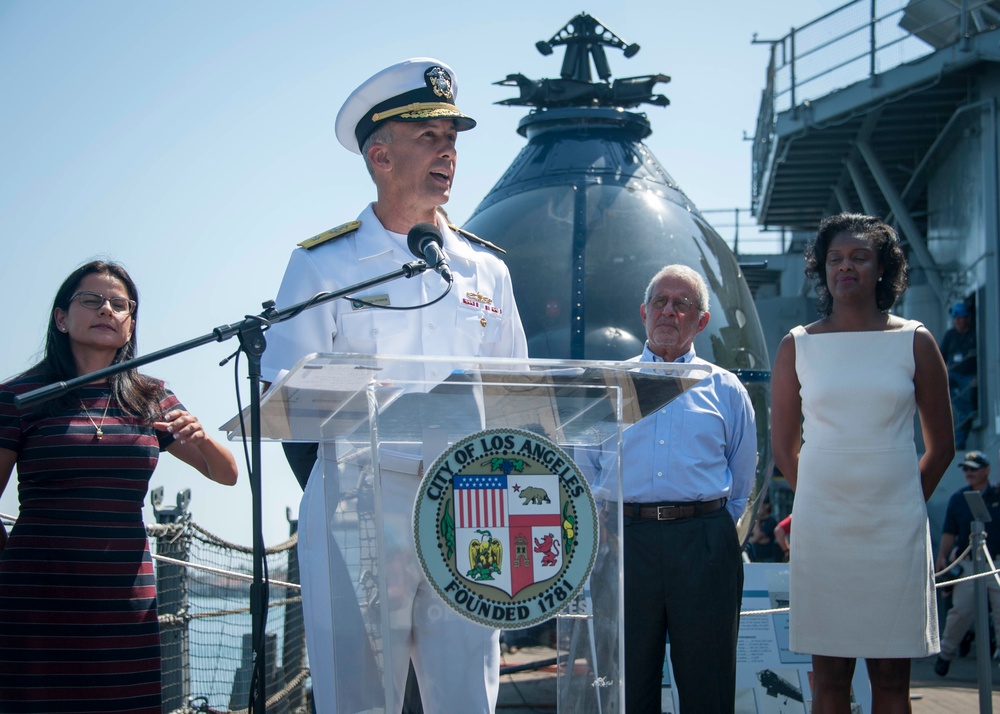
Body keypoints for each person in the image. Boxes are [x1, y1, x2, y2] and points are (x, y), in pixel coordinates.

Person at [260, 58, 527, 713]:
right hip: (360, 498)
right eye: (428, 136)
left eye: (453, 139)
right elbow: (286, 400)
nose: (448, 152)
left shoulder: (485, 270)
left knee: (468, 698)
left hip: (473, 501)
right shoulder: (324, 263)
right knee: (358, 698)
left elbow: (518, 399)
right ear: (380, 154)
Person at [0, 260, 239, 713]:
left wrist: (202, 436)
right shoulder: (18, 396)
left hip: (124, 598)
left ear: (130, 326)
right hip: (36, 596)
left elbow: (225, 474)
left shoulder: (150, 396)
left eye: (119, 305)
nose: (106, 310)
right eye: (91, 300)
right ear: (61, 318)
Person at [771, 213, 954, 713]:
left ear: (882, 269)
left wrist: (904, 502)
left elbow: (942, 447)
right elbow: (785, 448)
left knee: (892, 676)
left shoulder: (915, 341)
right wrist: (813, 504)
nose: (844, 267)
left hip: (894, 531)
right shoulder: (797, 345)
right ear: (822, 270)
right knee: (828, 675)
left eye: (858, 257)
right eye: (835, 259)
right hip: (823, 528)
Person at [587, 264, 756, 713]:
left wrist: (708, 532)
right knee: (626, 685)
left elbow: (740, 482)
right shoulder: (608, 385)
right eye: (660, 301)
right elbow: (585, 469)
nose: (669, 311)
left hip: (702, 544)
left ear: (701, 320)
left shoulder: (726, 389)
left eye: (682, 304)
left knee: (708, 685)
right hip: (625, 543)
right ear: (643, 313)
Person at [933, 450, 1000, 675]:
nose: (969, 473)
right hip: (970, 563)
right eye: (966, 469)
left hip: (996, 563)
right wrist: (942, 559)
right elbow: (949, 533)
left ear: (987, 470)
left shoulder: (998, 495)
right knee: (960, 611)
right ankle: (946, 654)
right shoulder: (959, 498)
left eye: (974, 469)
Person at [939, 301, 977, 448]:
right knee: (942, 387)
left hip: (969, 376)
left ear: (968, 318)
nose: (959, 322)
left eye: (962, 318)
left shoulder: (974, 335)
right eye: (957, 319)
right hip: (953, 374)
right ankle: (966, 409)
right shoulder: (950, 335)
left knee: (967, 401)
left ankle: (960, 442)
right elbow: (940, 356)